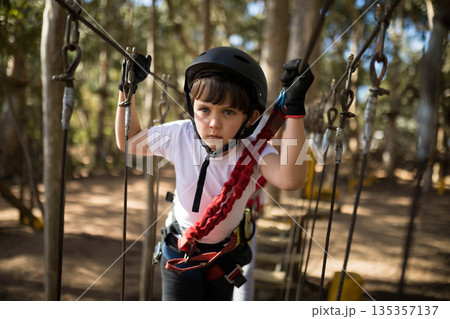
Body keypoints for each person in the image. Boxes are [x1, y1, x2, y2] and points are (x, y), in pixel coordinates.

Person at [115, 46, 314, 301]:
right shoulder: (181, 135)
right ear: (191, 106)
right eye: (204, 109)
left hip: (222, 259)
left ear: (251, 117)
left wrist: (295, 110)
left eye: (228, 112)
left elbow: (291, 179)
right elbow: (129, 141)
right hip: (179, 250)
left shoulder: (253, 149)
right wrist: (126, 90)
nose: (213, 123)